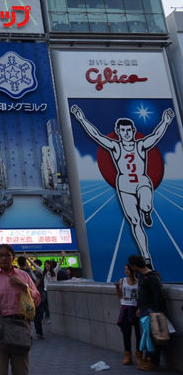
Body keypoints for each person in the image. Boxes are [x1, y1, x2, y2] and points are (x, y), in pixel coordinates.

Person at [71, 105, 175, 266]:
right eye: (123, 130)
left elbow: (155, 136)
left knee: (146, 204)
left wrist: (165, 122)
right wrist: (81, 119)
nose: (126, 133)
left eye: (129, 130)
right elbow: (96, 135)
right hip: (125, 185)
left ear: (133, 131)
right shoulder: (116, 147)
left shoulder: (140, 145)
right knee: (134, 221)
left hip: (141, 181)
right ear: (118, 132)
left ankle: (147, 211)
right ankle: (146, 256)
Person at [0, 244, 41, 375]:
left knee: (21, 372)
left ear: (13, 257)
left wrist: (23, 286)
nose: (4, 258)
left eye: (7, 255)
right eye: (0, 255)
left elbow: (37, 298)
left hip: (19, 324)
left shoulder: (23, 275)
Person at [128, 255, 165, 371]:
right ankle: (148, 360)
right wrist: (139, 307)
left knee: (154, 337)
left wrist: (156, 312)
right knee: (147, 336)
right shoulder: (142, 277)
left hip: (151, 311)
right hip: (144, 310)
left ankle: (154, 362)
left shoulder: (152, 277)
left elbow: (158, 296)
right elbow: (141, 294)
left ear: (134, 265)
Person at [115, 263, 140, 366]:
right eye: (125, 269)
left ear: (133, 270)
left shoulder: (139, 282)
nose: (126, 271)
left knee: (139, 334)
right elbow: (119, 296)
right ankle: (127, 355)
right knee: (126, 334)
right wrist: (117, 288)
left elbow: (141, 296)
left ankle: (139, 355)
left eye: (128, 269)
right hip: (125, 308)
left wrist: (139, 308)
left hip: (136, 309)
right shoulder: (122, 280)